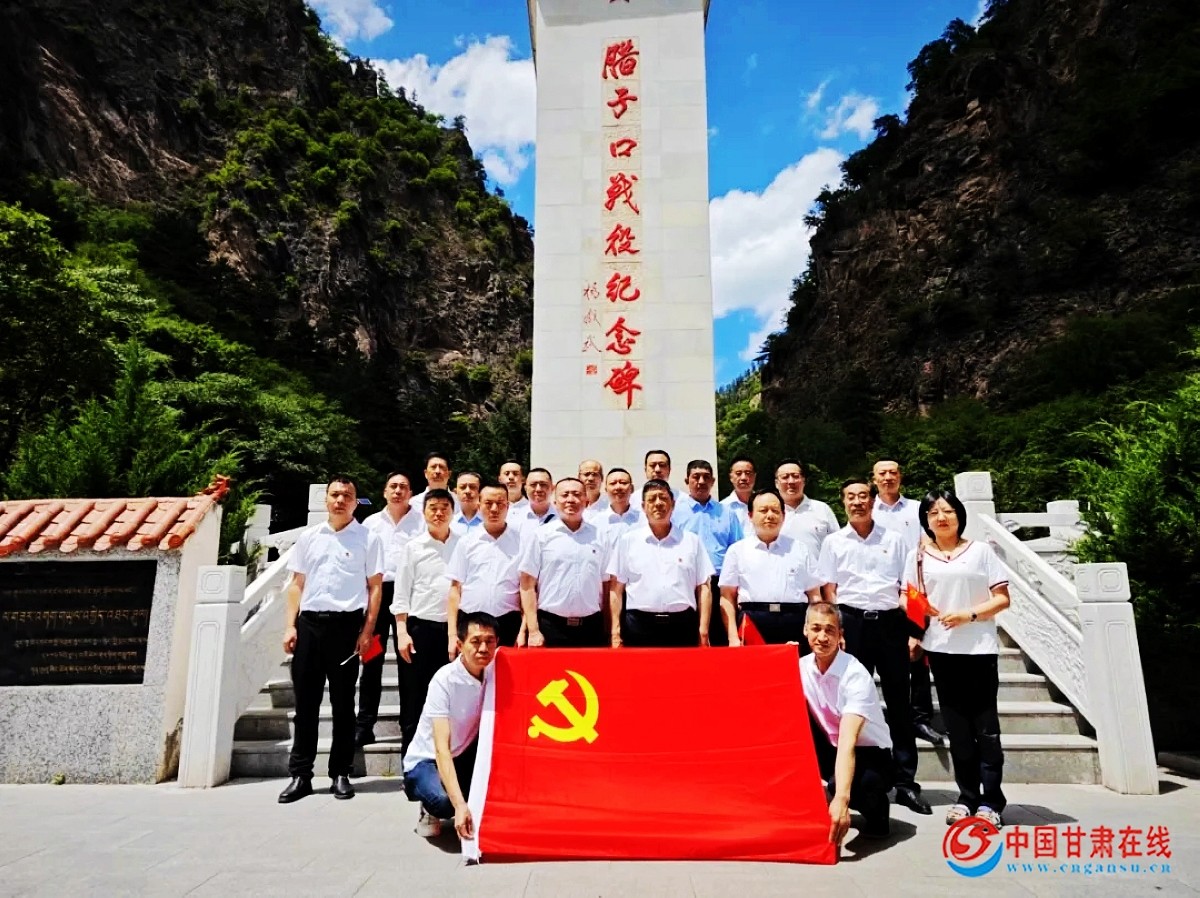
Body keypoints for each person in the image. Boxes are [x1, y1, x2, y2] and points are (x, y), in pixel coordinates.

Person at [817, 478, 932, 816]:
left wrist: (915, 631)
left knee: (899, 703)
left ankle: (906, 782)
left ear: (873, 500)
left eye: (863, 496)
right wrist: (837, 629)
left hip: (890, 624)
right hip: (851, 625)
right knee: (852, 703)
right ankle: (854, 778)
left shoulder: (894, 540)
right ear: (843, 502)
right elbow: (829, 590)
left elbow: (909, 587)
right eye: (850, 497)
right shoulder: (833, 542)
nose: (857, 502)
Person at [907, 489, 1011, 828]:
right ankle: (967, 797)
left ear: (959, 516)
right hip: (941, 650)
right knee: (958, 729)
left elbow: (1002, 598)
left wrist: (969, 614)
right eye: (933, 512)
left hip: (979, 649)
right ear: (926, 520)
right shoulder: (918, 557)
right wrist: (919, 616)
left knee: (986, 729)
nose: (941, 517)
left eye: (948, 511)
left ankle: (992, 800)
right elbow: (908, 597)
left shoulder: (980, 551)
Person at [278, 477, 384, 803]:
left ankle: (341, 772)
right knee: (305, 705)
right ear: (326, 499)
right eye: (335, 494)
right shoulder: (309, 538)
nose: (340, 500)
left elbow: (375, 587)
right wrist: (290, 626)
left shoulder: (368, 538)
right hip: (309, 625)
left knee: (343, 704)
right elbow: (297, 584)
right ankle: (301, 774)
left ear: (355, 501)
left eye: (347, 495)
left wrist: (367, 631)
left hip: (346, 627)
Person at [802, 602, 895, 842]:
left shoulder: (855, 675)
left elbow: (848, 741)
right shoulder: (801, 666)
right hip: (830, 744)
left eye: (830, 630)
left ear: (840, 635)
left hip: (871, 753)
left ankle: (877, 810)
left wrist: (841, 799)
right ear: (805, 630)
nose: (822, 637)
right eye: (816, 628)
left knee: (845, 786)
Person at [404, 611, 499, 840]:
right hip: (427, 760)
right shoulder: (444, 680)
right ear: (459, 644)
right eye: (475, 641)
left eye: (490, 641)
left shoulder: (495, 673)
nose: (483, 648)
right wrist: (459, 806)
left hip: (464, 754)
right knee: (444, 802)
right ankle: (428, 807)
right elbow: (441, 749)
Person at [872, 459, 946, 747]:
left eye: (893, 472)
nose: (888, 477)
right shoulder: (868, 508)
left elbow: (930, 543)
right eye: (882, 474)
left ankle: (921, 718)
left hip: (914, 589)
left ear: (900, 476)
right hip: (882, 593)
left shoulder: (917, 509)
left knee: (918, 655)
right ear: (874, 479)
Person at [607, 479, 715, 647]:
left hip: (682, 625)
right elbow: (616, 588)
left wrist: (703, 630)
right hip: (639, 626)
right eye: (651, 499)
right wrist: (615, 631)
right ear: (643, 507)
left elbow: (704, 587)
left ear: (673, 503)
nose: (658, 503)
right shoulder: (628, 541)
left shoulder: (691, 541)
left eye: (663, 498)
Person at [358, 472, 423, 747]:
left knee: (408, 662)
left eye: (403, 487)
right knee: (371, 660)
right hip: (378, 595)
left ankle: (410, 725)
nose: (398, 491)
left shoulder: (421, 522)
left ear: (411, 493)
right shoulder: (371, 524)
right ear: (384, 492)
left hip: (410, 597)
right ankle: (364, 724)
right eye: (393, 486)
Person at [393, 488, 459, 756]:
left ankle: (448, 762)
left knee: (451, 701)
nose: (439, 513)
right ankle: (412, 763)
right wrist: (401, 632)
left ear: (453, 512)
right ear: (424, 512)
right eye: (433, 507)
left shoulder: (464, 544)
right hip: (419, 631)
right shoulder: (413, 547)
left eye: (444, 507)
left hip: (453, 632)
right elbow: (401, 593)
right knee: (414, 699)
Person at [721, 487, 821, 646]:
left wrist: (816, 628)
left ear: (783, 515)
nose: (770, 515)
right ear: (750, 515)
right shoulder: (737, 551)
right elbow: (727, 597)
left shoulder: (800, 549)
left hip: (794, 621)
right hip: (752, 622)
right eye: (763, 510)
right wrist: (732, 637)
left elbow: (814, 596)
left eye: (775, 510)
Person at [519, 478, 609, 647]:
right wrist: (533, 630)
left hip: (591, 627)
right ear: (555, 501)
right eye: (564, 495)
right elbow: (527, 584)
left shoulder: (600, 536)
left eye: (576, 494)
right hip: (550, 626)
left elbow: (607, 585)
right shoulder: (541, 536)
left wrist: (609, 629)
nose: (570, 499)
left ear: (586, 501)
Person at [446, 483, 523, 649]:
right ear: (479, 506)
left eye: (500, 503)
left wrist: (524, 629)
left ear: (508, 506)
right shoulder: (466, 542)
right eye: (488, 503)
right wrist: (452, 634)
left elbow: (527, 588)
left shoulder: (522, 542)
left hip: (509, 622)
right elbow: (455, 588)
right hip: (471, 622)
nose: (494, 509)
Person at [676, 460, 743, 646]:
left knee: (720, 637)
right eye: (696, 477)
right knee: (690, 638)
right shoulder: (675, 513)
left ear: (713, 481)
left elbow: (737, 550)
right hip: (687, 583)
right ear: (687, 481)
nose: (701, 481)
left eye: (706, 477)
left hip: (719, 583)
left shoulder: (727, 513)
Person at [776, 459, 840, 559]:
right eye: (785, 477)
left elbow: (837, 545)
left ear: (803, 480)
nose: (791, 481)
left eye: (795, 476)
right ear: (776, 483)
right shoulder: (771, 513)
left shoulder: (822, 509)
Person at [590, 467, 644, 539]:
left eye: (623, 483)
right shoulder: (595, 523)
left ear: (632, 488)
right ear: (606, 490)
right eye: (613, 483)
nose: (618, 487)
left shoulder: (644, 519)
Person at [413, 453, 458, 518]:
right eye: (433, 467)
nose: (437, 471)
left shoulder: (460, 503)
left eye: (441, 467)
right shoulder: (413, 504)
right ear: (425, 473)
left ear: (449, 474)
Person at [720, 455, 756, 531]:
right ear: (731, 477)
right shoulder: (722, 508)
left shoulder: (764, 504)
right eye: (738, 473)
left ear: (754, 476)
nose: (743, 478)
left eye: (748, 473)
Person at [450, 471, 483, 536]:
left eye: (472, 487)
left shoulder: (489, 523)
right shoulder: (449, 523)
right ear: (456, 491)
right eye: (462, 487)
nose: (467, 491)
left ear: (480, 491)